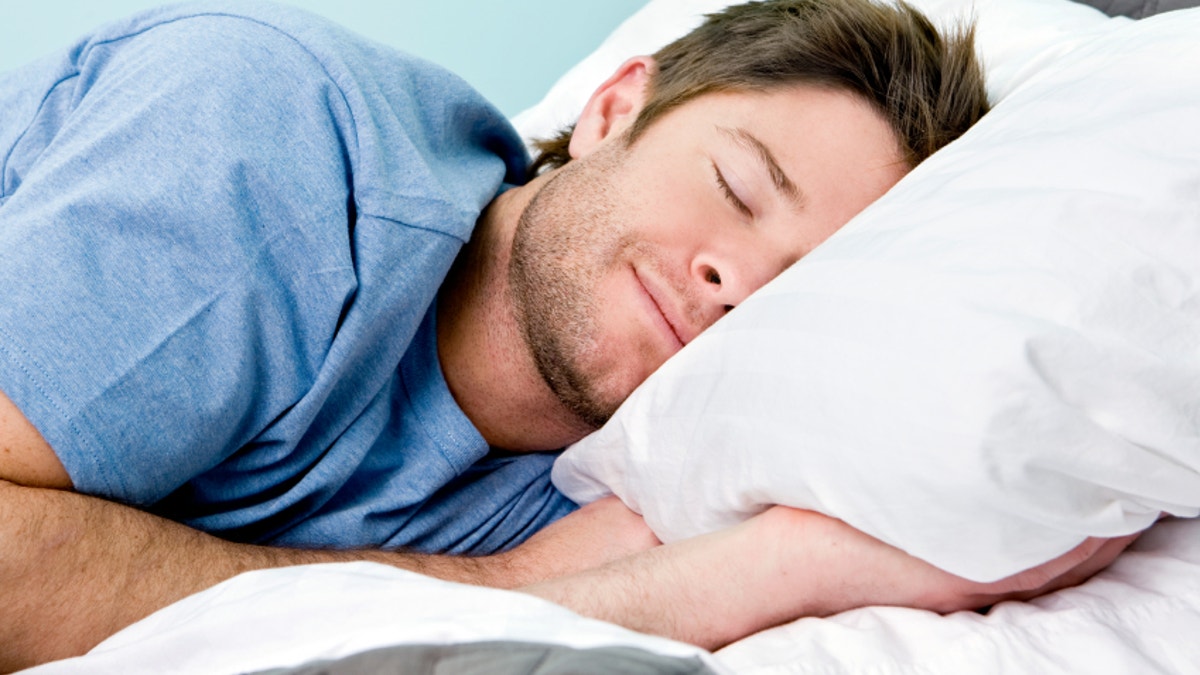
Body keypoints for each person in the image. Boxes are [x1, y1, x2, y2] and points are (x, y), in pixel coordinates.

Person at [0, 0, 1134, 670]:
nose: (726, 276)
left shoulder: (628, 493)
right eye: (738, 188)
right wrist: (511, 587)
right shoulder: (269, 142)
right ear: (614, 108)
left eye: (790, 292)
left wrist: (787, 567)